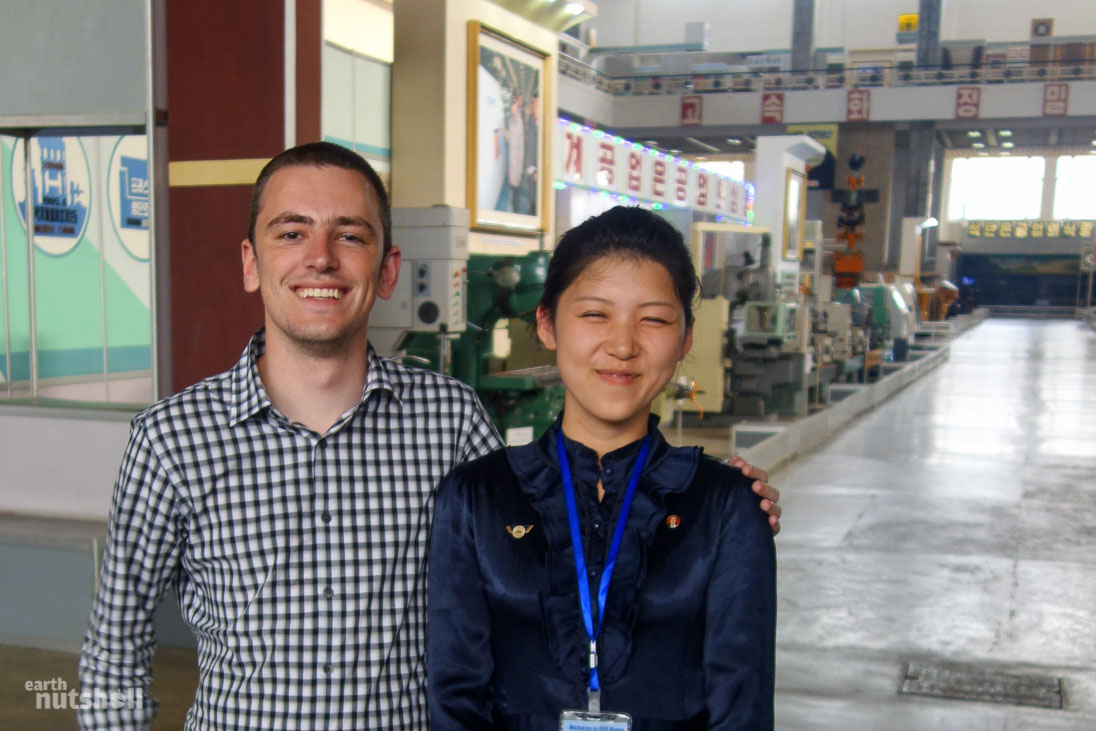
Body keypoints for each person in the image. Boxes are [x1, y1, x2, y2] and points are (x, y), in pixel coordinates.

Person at [78, 143, 780, 729]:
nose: (320, 258)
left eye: (350, 235)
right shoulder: (171, 441)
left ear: (387, 268)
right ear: (250, 261)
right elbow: (114, 650)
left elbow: (561, 539)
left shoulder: (450, 422)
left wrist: (716, 508)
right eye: (290, 232)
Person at [428, 206, 776, 729]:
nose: (622, 345)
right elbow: (454, 698)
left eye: (653, 319)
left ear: (685, 338)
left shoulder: (726, 505)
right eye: (595, 314)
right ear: (547, 324)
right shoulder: (475, 496)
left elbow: (741, 707)